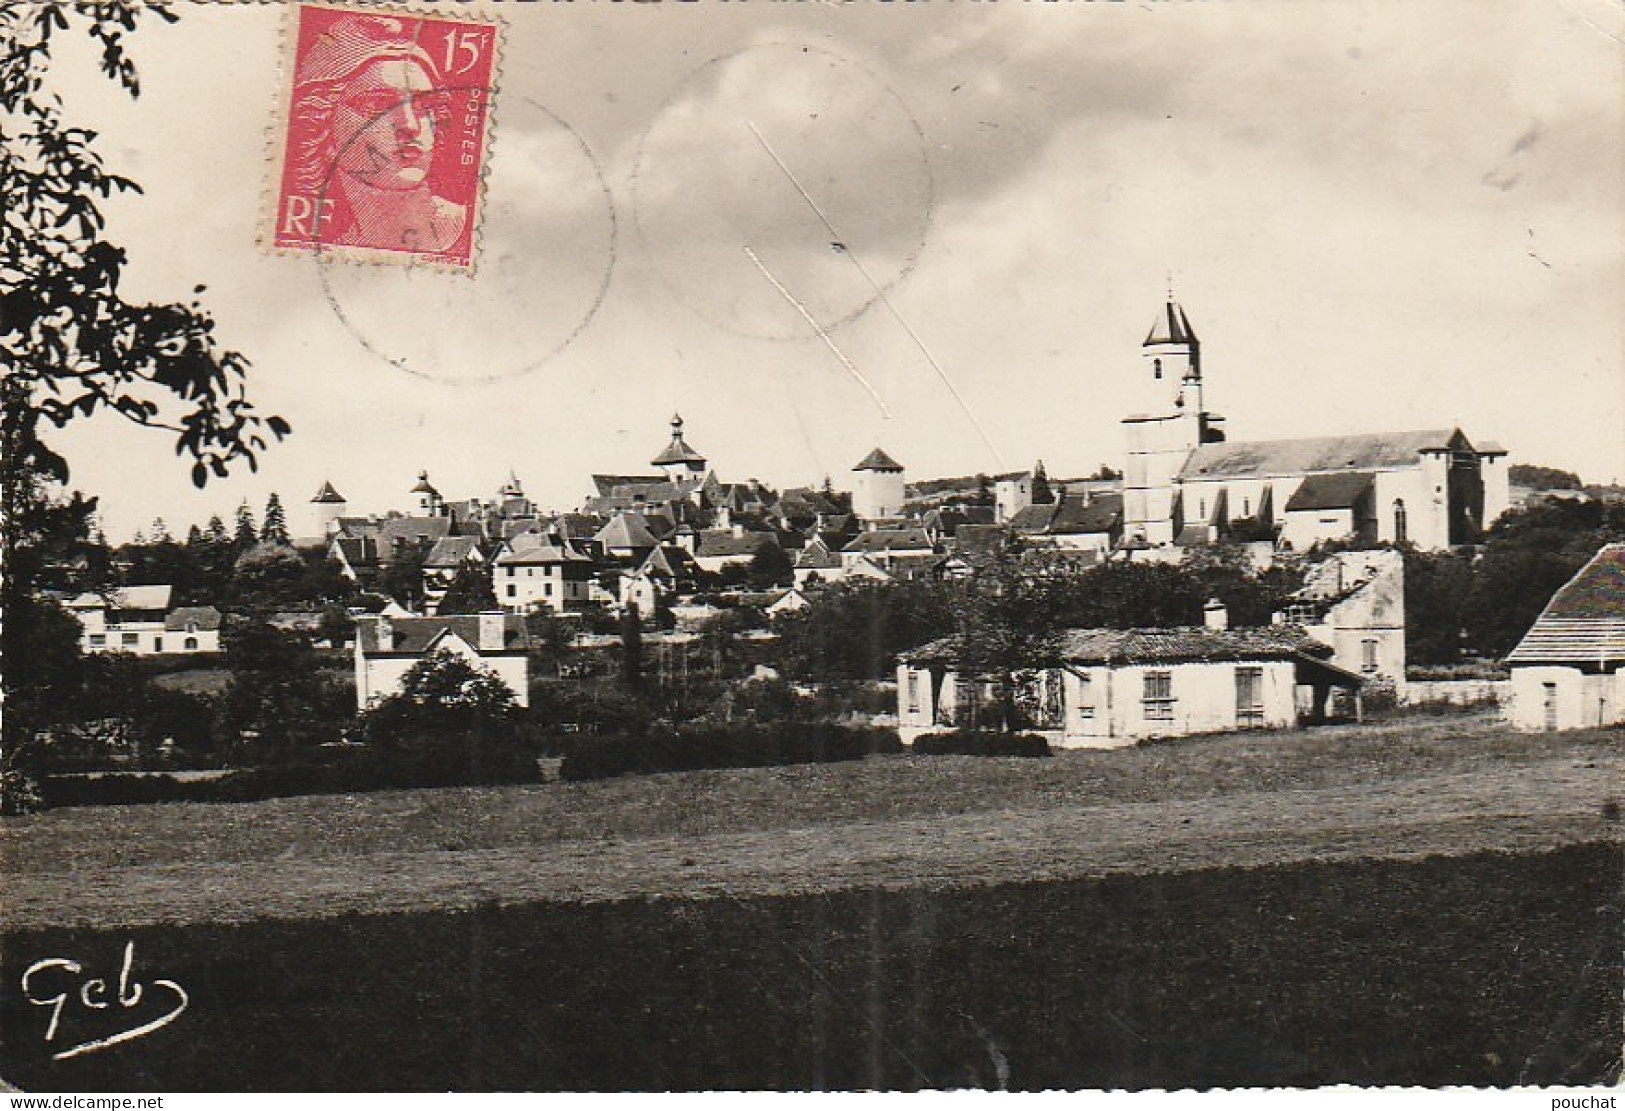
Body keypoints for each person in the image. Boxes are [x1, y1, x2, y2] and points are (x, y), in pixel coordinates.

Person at [286, 15, 467, 254]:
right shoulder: (341, 245)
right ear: (321, 125)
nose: (411, 126)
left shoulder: (459, 228)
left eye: (425, 107)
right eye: (379, 106)